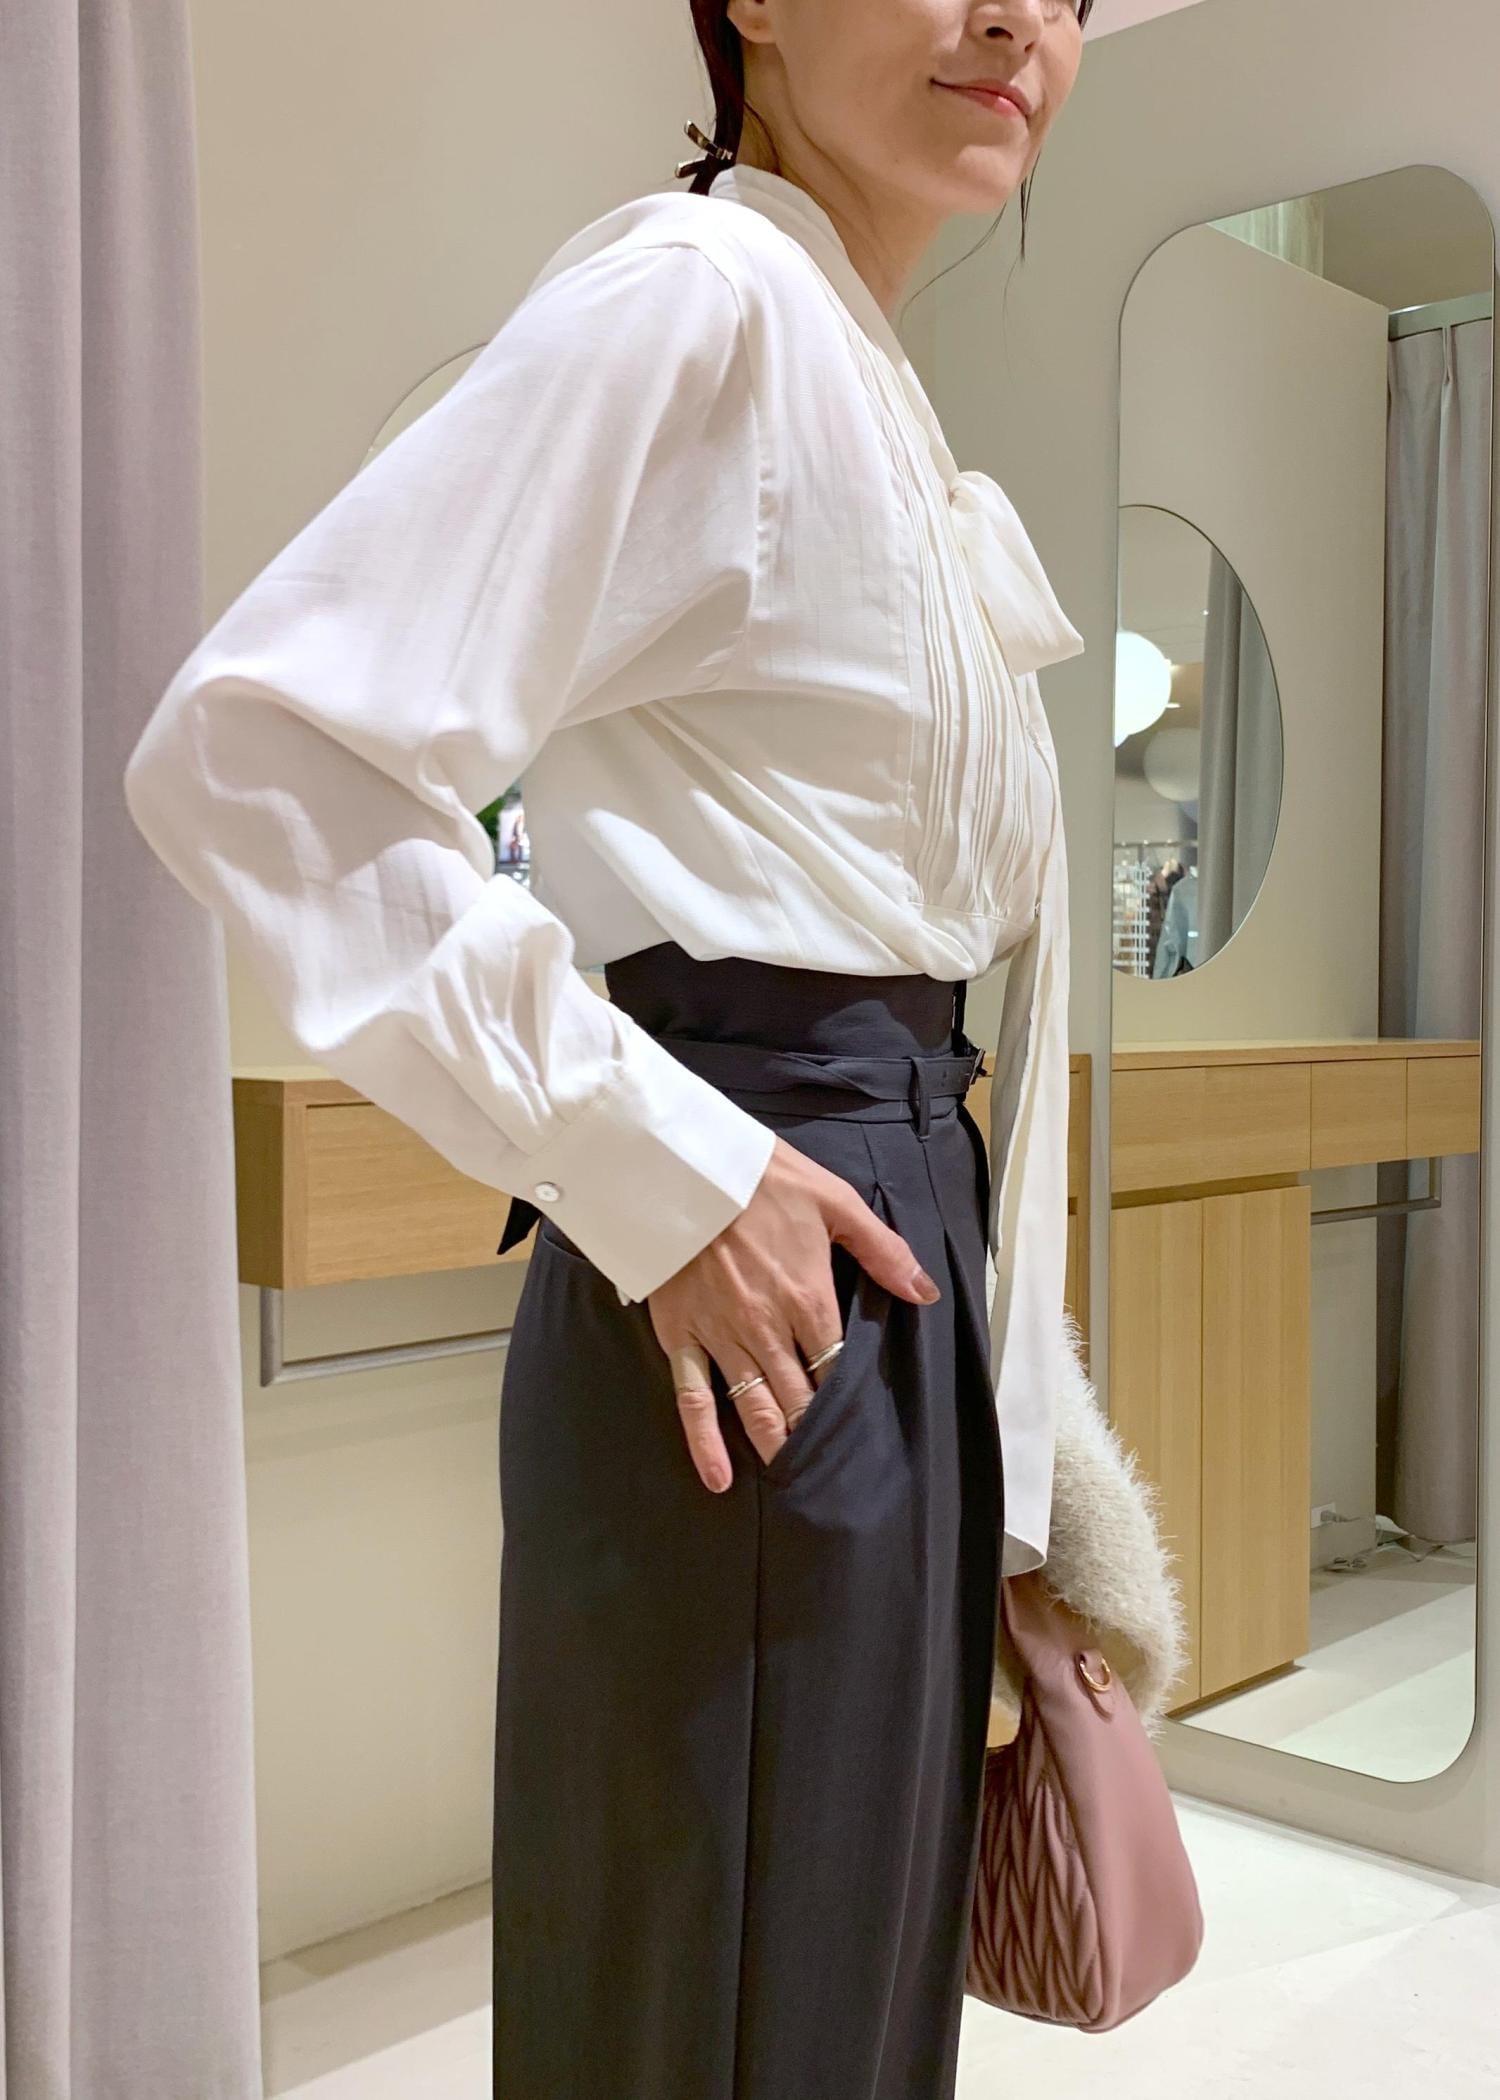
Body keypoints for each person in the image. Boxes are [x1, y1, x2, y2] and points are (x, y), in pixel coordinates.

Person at [123, 2, 1095, 2093]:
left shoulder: (861, 371)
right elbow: (260, 749)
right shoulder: (699, 298)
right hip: (757, 1229)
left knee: (831, 1991)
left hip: (883, 1214)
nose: (1025, 16)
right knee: (712, 1997)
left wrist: (1023, 1467)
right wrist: (658, 1168)